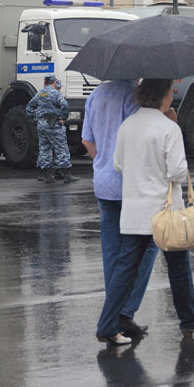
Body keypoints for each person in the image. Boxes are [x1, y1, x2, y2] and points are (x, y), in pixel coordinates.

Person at [96, 78, 194, 346]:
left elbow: (118, 165)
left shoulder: (127, 126)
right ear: (164, 96)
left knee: (125, 270)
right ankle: (191, 321)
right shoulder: (168, 128)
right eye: (170, 92)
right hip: (164, 214)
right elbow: (177, 172)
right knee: (178, 268)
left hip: (133, 212)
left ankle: (107, 325)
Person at [82, 79, 159, 338]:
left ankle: (113, 315)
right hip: (129, 184)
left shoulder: (95, 95)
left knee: (111, 252)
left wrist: (103, 162)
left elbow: (87, 141)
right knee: (146, 244)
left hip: (103, 183)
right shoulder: (132, 96)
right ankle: (125, 311)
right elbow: (141, 140)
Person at [26, 74, 80, 183]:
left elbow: (29, 108)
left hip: (41, 124)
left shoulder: (40, 94)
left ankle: (47, 176)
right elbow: (64, 106)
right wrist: (62, 118)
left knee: (44, 149)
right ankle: (67, 175)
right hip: (53, 124)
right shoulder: (56, 94)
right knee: (62, 148)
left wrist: (37, 118)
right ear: (54, 82)